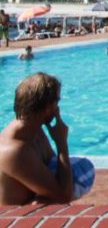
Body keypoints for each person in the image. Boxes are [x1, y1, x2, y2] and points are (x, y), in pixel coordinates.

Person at [0, 73, 94, 204]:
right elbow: (64, 196)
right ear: (47, 108)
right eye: (57, 101)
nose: (58, 108)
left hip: (32, 214)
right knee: (47, 200)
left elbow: (58, 175)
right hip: (14, 221)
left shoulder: (35, 131)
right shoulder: (14, 150)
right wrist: (62, 144)